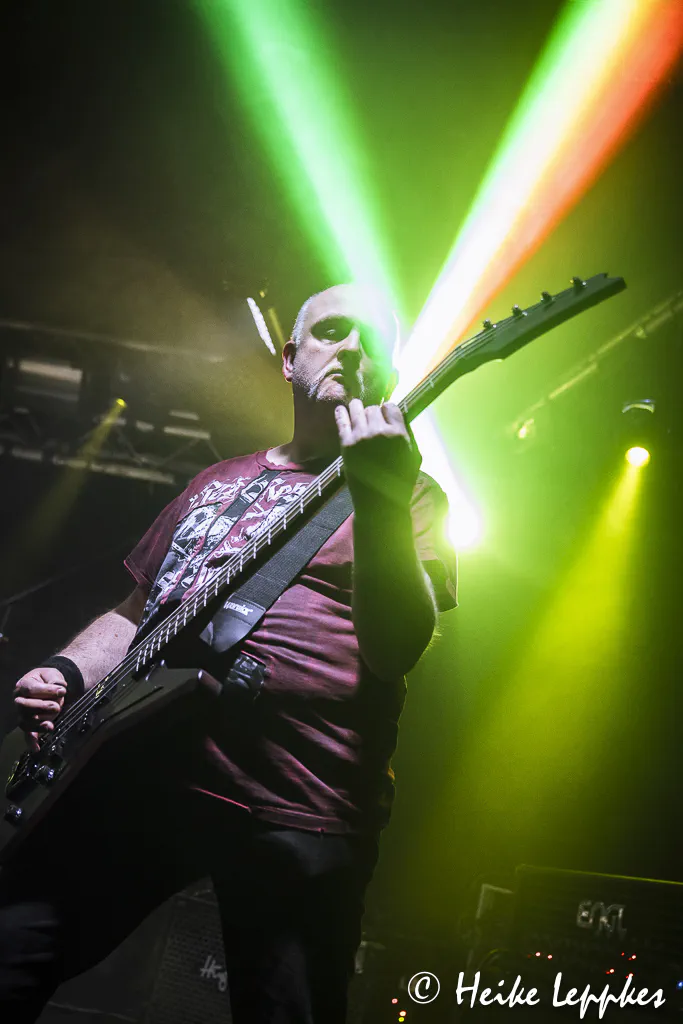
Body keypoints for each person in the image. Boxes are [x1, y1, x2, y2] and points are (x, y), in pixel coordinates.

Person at [0, 283, 457, 1023]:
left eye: (371, 342)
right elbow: (135, 614)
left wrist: (378, 500)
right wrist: (67, 670)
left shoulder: (412, 497)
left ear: (391, 378)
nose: (351, 348)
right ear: (290, 358)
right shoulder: (216, 480)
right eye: (333, 331)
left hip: (300, 804)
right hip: (146, 769)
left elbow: (396, 648)